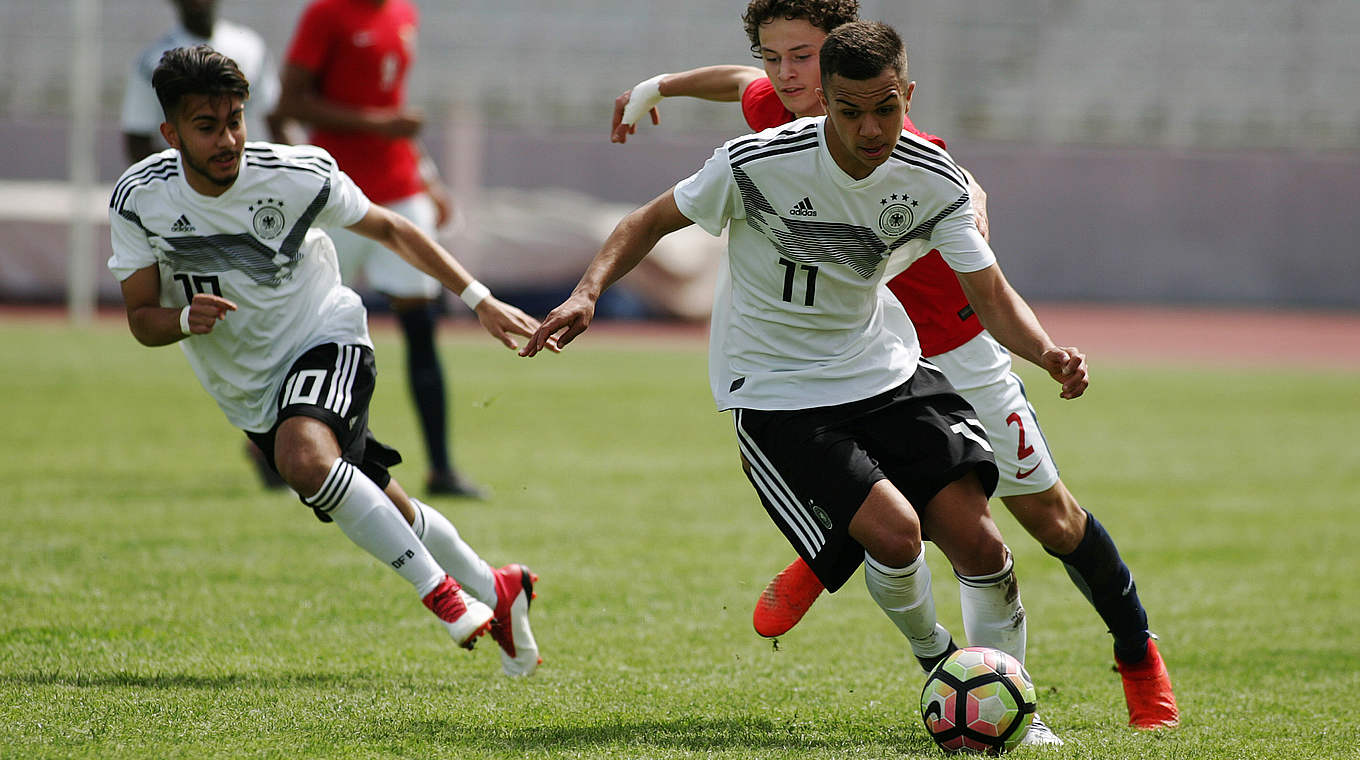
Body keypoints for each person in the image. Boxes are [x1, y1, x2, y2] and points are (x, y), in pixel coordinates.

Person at [611, 0, 1178, 731]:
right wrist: (660, 85)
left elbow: (959, 182)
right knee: (900, 508)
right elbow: (735, 81)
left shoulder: (884, 128)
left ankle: (1136, 651)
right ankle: (870, 572)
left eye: (803, 56)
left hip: (958, 350)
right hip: (868, 360)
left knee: (1051, 520)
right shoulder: (785, 121)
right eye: (775, 57)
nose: (787, 75)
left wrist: (973, 209)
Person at [526, 21, 1082, 744]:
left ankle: (1013, 713)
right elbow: (649, 220)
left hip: (882, 368)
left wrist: (1047, 353)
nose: (869, 127)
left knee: (980, 543)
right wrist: (587, 292)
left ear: (906, 95)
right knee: (897, 534)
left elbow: (991, 295)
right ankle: (939, 662)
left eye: (885, 107)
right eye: (849, 111)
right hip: (776, 389)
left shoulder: (932, 179)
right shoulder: (758, 162)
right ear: (824, 102)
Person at [106, 46, 542, 677]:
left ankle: (446, 598)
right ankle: (497, 586)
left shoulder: (296, 175)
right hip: (249, 388)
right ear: (170, 133)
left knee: (304, 458)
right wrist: (180, 320)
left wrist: (479, 299)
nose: (228, 138)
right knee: (376, 497)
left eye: (235, 119)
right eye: (208, 126)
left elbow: (393, 228)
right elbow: (141, 318)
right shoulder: (137, 200)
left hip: (326, 334)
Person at [273, 0, 481, 498]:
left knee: (421, 324)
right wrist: (378, 124)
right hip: (335, 194)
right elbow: (289, 104)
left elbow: (393, 105)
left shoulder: (403, 14)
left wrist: (428, 178)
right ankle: (274, 446)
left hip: (400, 188)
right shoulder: (325, 14)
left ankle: (441, 467)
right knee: (304, 325)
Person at [121, 0, 281, 164]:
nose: (226, 140)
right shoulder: (152, 61)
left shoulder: (251, 47)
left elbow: (277, 121)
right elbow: (138, 140)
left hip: (250, 178)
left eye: (233, 122)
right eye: (206, 127)